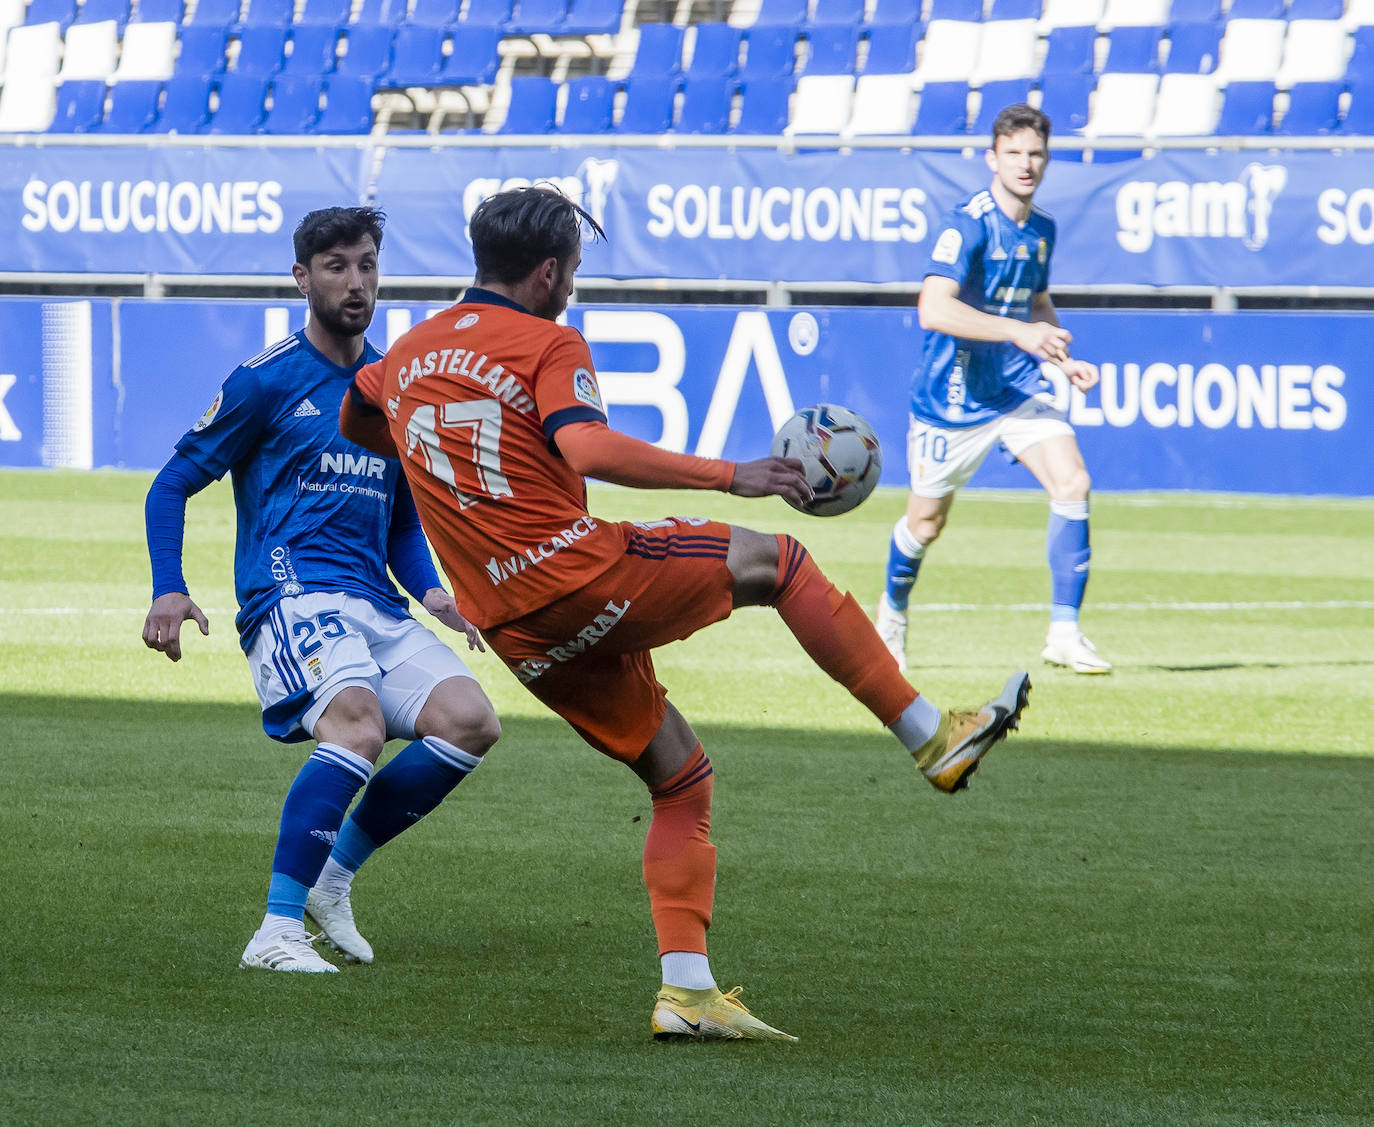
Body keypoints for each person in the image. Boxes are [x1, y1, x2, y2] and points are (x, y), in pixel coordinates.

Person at [338, 185, 1030, 1041]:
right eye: (574, 272)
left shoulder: (405, 353)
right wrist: (730, 475)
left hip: (513, 627)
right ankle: (932, 735)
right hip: (579, 574)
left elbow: (361, 416)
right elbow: (586, 446)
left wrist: (456, 484)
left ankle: (689, 994)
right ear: (549, 271)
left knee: (681, 779)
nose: (573, 288)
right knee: (777, 562)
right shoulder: (550, 340)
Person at [141, 206, 500, 974]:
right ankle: (274, 930)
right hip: (291, 594)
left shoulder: (390, 386)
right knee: (359, 724)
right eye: (336, 265)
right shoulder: (263, 381)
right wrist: (168, 587)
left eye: (367, 263)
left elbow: (401, 519)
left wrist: (434, 594)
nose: (356, 281)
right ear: (302, 277)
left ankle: (331, 879)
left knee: (470, 721)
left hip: (376, 599)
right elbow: (171, 483)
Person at [877, 103, 1112, 676]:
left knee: (1073, 480)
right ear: (993, 158)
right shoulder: (968, 225)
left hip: (1017, 385)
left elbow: (1033, 302)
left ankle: (1064, 631)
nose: (1026, 164)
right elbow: (933, 309)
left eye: (1036, 154)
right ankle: (892, 614)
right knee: (926, 524)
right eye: (1014, 153)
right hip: (952, 394)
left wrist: (1061, 355)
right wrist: (1021, 333)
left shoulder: (1043, 229)